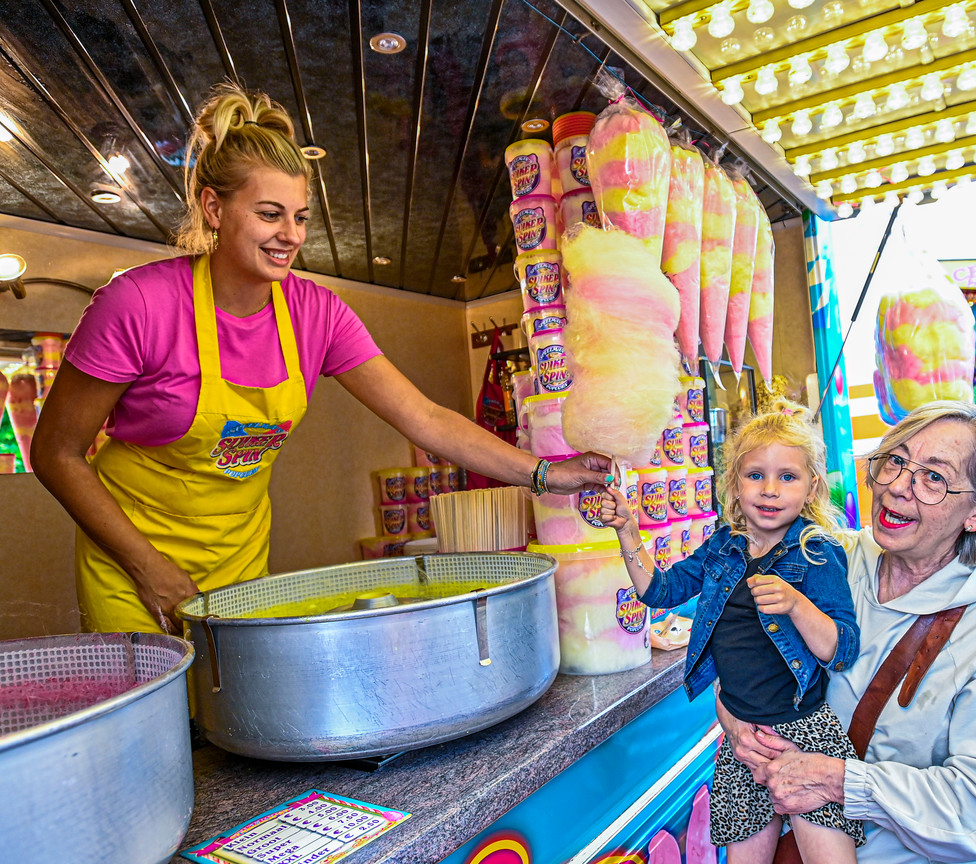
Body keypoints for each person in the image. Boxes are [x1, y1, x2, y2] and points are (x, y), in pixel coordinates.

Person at [29, 84, 609, 636]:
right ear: (213, 207)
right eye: (268, 213)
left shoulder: (318, 315)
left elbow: (426, 419)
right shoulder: (138, 304)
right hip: (130, 567)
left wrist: (545, 473)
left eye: (300, 216)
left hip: (238, 562)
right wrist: (145, 565)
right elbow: (56, 452)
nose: (290, 235)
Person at [719, 401, 976, 864]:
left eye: (934, 478)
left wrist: (840, 781)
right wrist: (736, 721)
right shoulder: (827, 561)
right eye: (894, 461)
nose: (898, 485)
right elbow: (748, 664)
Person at [599, 402, 865, 864]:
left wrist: (796, 604)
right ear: (734, 484)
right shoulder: (723, 547)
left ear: (810, 486)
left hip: (804, 736)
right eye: (755, 474)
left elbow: (842, 647)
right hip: (742, 736)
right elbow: (659, 590)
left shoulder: (816, 552)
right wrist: (627, 530)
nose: (769, 489)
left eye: (787, 476)